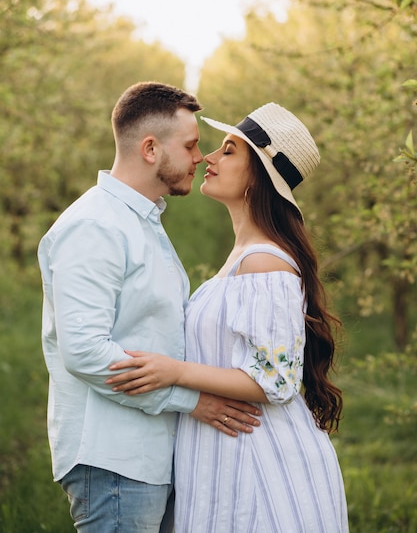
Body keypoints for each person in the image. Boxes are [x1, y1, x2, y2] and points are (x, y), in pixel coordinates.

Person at [106, 102, 350, 532]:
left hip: (263, 467)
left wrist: (172, 372)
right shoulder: (243, 259)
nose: (208, 158)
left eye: (229, 151)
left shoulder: (265, 264)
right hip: (230, 457)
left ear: (259, 175)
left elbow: (273, 379)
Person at [37, 81, 261, 533]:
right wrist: (189, 400)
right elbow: (83, 351)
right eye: (192, 145)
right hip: (114, 458)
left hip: (144, 454)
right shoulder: (95, 227)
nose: (201, 158)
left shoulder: (139, 221)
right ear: (151, 148)